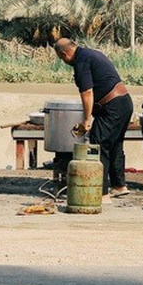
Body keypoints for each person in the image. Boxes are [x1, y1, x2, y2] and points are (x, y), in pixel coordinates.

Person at [53, 38, 132, 200]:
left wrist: (87, 120)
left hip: (112, 105)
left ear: (64, 54)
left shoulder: (82, 61)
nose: (64, 62)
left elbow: (87, 92)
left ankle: (100, 193)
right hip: (123, 102)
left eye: (62, 59)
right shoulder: (90, 54)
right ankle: (118, 185)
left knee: (98, 144)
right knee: (115, 143)